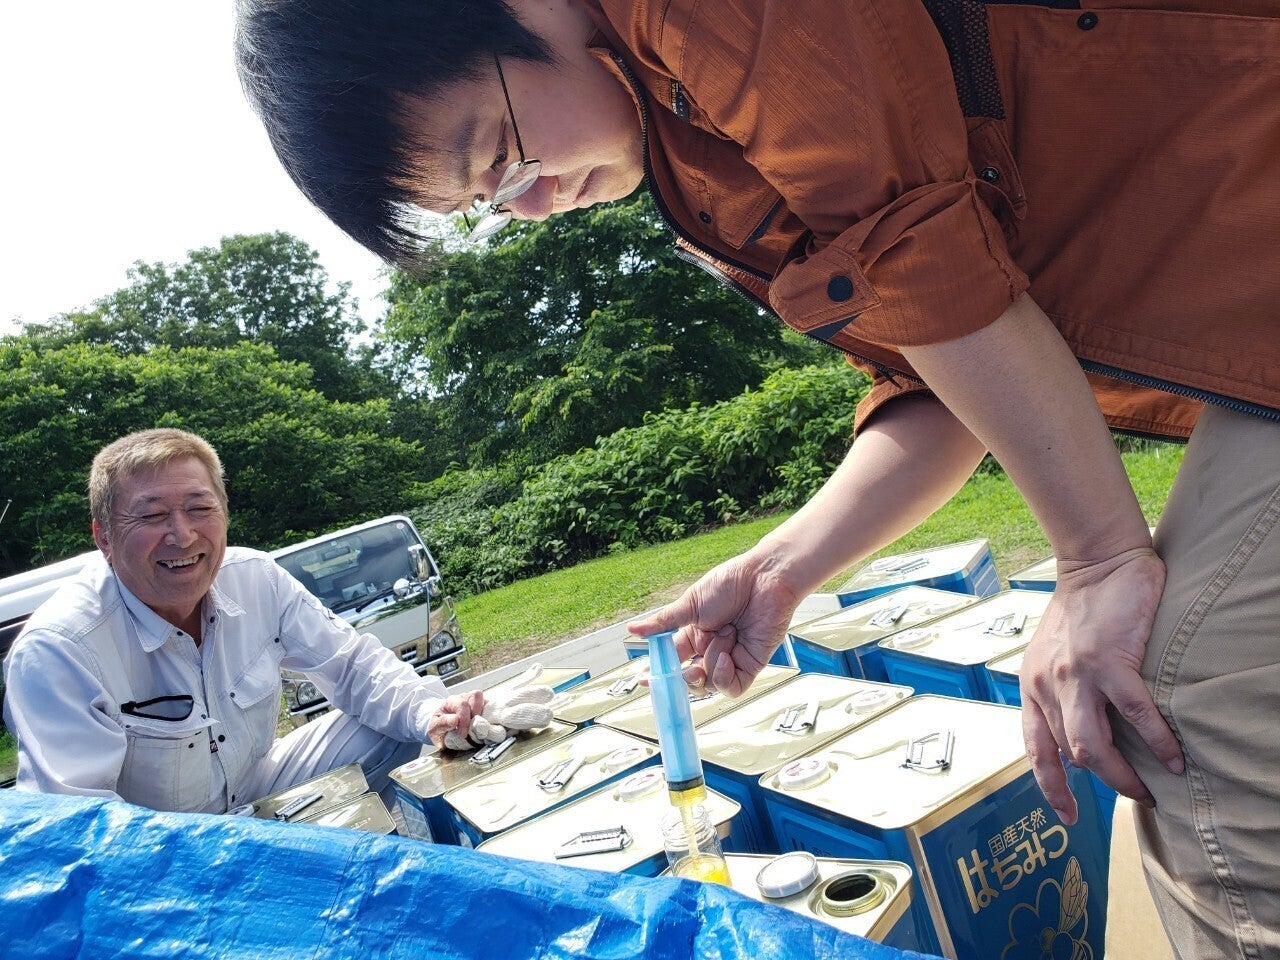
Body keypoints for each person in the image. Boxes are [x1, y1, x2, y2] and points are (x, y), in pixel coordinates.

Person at [232, 1, 1280, 955]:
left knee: (1179, 687)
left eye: (500, 155)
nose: (536, 203)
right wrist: (784, 566)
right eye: (490, 202)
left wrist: (1095, 560)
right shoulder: (685, 144)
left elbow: (930, 274)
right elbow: (937, 375)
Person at [2, 428, 484, 815]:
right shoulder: (60, 648)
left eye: (199, 508)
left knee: (399, 724)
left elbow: (353, 666)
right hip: (164, 849)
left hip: (257, 788)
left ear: (225, 514)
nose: (182, 535)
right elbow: (85, 824)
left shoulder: (255, 577)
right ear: (104, 537)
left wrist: (431, 714)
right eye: (152, 516)